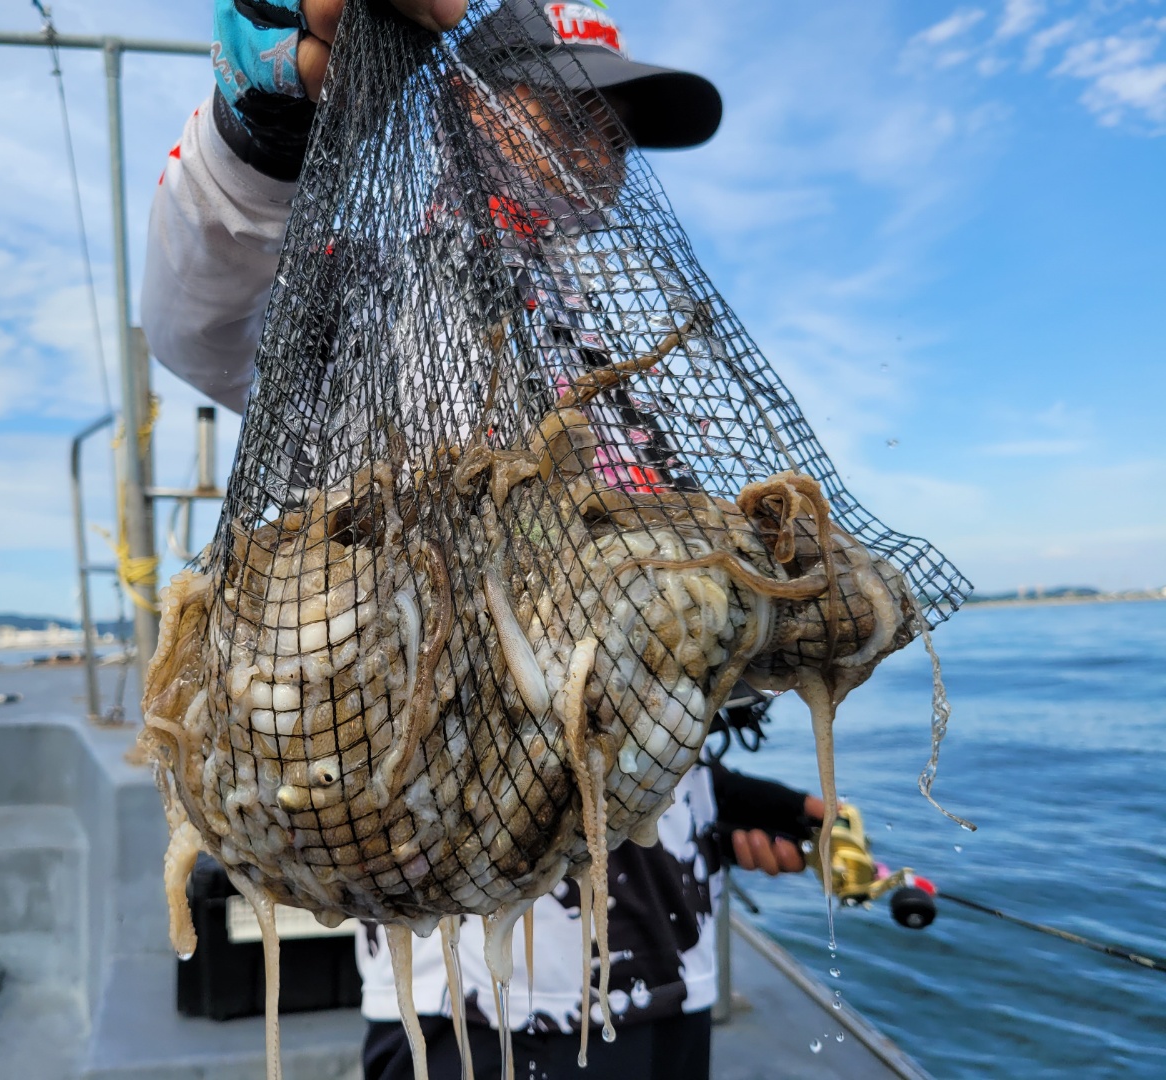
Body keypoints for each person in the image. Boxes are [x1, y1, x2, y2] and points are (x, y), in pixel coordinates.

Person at [142, 2, 823, 1077]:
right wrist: (263, 131)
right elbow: (197, 313)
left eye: (616, 120)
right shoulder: (376, 299)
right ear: (471, 102)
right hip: (477, 995)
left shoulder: (603, 336)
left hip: (664, 964)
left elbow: (630, 670)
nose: (599, 143)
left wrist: (733, 802)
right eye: (565, 105)